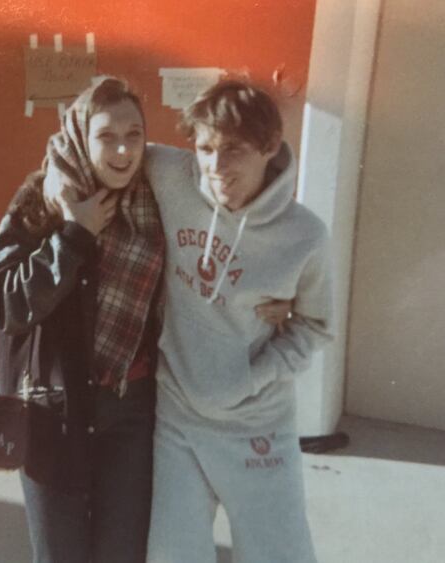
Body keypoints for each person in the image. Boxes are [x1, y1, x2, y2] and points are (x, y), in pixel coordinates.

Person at [0, 77, 292, 563]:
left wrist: (281, 292)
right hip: (55, 413)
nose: (123, 150)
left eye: (134, 134)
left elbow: (228, 223)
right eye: (106, 135)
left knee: (122, 553)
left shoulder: (159, 194)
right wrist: (72, 235)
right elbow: (4, 303)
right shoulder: (44, 198)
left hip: (132, 410)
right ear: (81, 135)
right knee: (61, 554)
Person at [143, 80, 333, 563]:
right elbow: (97, 140)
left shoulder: (304, 235)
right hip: (178, 416)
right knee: (173, 553)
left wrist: (251, 378)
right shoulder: (173, 176)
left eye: (233, 150)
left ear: (270, 147)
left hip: (256, 422)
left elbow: (314, 326)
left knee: (278, 554)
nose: (215, 166)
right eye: (205, 148)